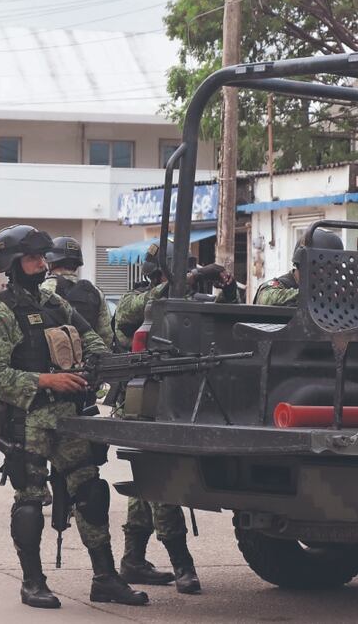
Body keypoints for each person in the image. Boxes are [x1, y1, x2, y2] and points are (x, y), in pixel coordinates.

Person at [0, 224, 148, 609]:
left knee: (91, 492)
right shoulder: (1, 312)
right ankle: (33, 582)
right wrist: (47, 380)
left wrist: (102, 366)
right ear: (12, 264)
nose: (42, 264)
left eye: (43, 257)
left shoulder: (56, 304)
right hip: (29, 421)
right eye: (32, 258)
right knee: (30, 502)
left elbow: (93, 341)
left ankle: (105, 579)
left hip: (69, 419)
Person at [109, 242, 238, 595]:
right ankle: (183, 564)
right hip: (147, 403)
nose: (186, 279)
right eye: (178, 272)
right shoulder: (136, 300)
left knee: (148, 484)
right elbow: (138, 311)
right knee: (163, 483)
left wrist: (227, 290)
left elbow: (226, 321)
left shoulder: (190, 303)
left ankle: (133, 559)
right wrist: (190, 278)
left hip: (185, 403)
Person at [40, 236, 114, 347]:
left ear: (51, 262)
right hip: (90, 355)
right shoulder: (95, 291)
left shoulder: (43, 289)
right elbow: (106, 335)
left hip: (55, 355)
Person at [253, 229, 343, 307]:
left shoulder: (331, 289)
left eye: (330, 268)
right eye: (322, 267)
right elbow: (266, 298)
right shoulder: (276, 287)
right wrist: (317, 294)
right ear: (303, 264)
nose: (326, 274)